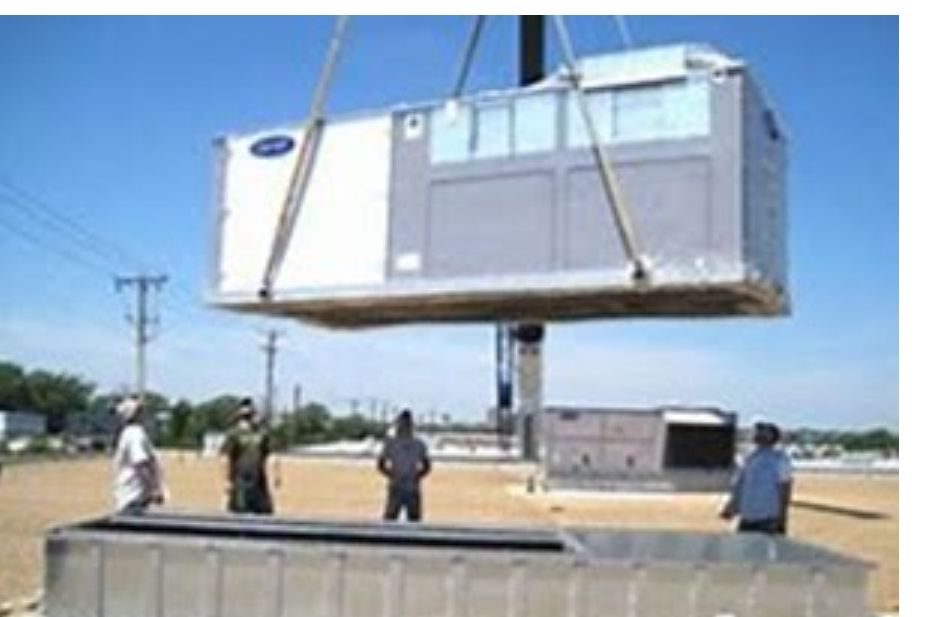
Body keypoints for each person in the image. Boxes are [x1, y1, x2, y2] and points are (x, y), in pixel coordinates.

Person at [720, 420, 793, 534]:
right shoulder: (749, 457)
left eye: (763, 432)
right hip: (747, 517)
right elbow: (741, 485)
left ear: (772, 436)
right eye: (758, 431)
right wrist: (731, 506)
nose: (758, 434)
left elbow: (784, 488)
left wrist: (781, 518)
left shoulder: (780, 459)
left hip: (768, 519)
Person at [221, 398, 279, 515]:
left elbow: (272, 455)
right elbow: (225, 458)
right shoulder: (234, 434)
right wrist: (226, 480)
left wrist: (276, 474)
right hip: (240, 481)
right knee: (239, 512)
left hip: (259, 481)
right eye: (244, 416)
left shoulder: (262, 433)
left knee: (264, 513)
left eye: (250, 415)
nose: (247, 419)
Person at [112, 396, 165, 514]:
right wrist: (154, 489)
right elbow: (140, 464)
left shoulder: (130, 433)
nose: (143, 414)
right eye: (140, 411)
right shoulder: (135, 433)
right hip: (133, 496)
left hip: (134, 496)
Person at [377, 409, 431, 522]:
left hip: (412, 488)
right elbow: (381, 464)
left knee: (414, 520)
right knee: (390, 519)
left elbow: (426, 466)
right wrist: (392, 475)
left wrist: (416, 477)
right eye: (402, 423)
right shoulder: (391, 443)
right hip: (396, 486)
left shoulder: (418, 444)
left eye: (407, 424)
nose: (404, 426)